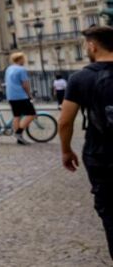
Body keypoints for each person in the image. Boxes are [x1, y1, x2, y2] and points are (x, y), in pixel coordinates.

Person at [60, 25, 113, 259]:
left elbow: (65, 122)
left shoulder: (80, 78)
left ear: (92, 46)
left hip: (101, 155)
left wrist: (66, 150)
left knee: (110, 211)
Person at [4, 52, 35, 145]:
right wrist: (29, 95)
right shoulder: (21, 69)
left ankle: (19, 139)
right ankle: (18, 132)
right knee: (31, 114)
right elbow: (25, 84)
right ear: (20, 59)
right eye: (23, 59)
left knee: (16, 116)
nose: (24, 60)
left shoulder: (9, 68)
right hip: (20, 96)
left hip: (11, 95)